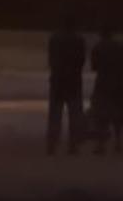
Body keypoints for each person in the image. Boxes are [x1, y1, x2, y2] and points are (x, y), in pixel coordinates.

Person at [47, 15, 86, 156]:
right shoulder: (79, 40)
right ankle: (73, 145)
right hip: (74, 81)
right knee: (75, 114)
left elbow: (51, 59)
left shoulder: (55, 39)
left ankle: (52, 144)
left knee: (55, 114)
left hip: (58, 80)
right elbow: (81, 61)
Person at [89, 25, 123, 156]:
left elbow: (94, 67)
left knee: (101, 114)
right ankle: (118, 142)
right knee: (117, 114)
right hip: (119, 83)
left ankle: (101, 144)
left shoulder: (98, 47)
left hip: (103, 83)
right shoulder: (119, 47)